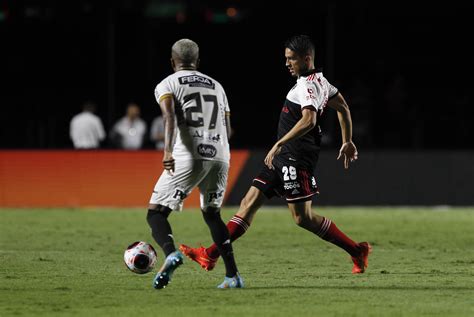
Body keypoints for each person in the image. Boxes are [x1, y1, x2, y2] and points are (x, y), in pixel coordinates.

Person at [180, 35, 371, 275]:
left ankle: (356, 250)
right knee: (248, 204)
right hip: (283, 157)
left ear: (307, 58)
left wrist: (280, 143)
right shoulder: (321, 81)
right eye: (286, 59)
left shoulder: (308, 85)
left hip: (295, 156)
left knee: (303, 219)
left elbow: (309, 120)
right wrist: (347, 140)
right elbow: (343, 107)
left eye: (291, 59)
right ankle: (209, 255)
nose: (287, 63)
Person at [147, 38, 243, 289]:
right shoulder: (218, 86)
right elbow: (228, 128)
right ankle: (233, 276)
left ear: (172, 61)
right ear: (198, 62)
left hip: (189, 154)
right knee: (212, 215)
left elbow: (168, 116)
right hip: (221, 155)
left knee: (156, 212)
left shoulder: (167, 84)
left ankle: (170, 253)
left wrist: (167, 151)